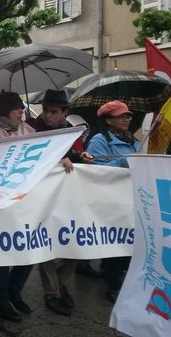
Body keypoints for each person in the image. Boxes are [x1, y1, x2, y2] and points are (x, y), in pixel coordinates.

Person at [34, 89, 93, 316]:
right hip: (42, 198)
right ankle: (52, 293)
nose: (47, 115)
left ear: (64, 113)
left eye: (53, 111)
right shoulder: (33, 128)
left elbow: (75, 153)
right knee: (47, 244)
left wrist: (81, 156)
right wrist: (58, 158)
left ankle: (59, 282)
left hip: (67, 196)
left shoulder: (70, 131)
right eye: (45, 110)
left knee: (78, 242)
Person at [0, 91, 35, 323]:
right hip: (1, 199)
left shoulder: (27, 128)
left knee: (30, 247)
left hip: (25, 199)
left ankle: (15, 290)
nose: (21, 111)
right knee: (3, 251)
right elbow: (2, 155)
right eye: (18, 108)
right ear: (7, 111)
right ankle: (0, 301)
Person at [86, 100, 138, 304]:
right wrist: (123, 161)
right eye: (122, 116)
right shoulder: (99, 141)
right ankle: (113, 283)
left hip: (130, 197)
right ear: (109, 120)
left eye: (128, 116)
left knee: (129, 239)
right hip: (110, 199)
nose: (127, 119)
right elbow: (96, 170)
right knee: (116, 241)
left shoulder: (132, 140)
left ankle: (121, 275)